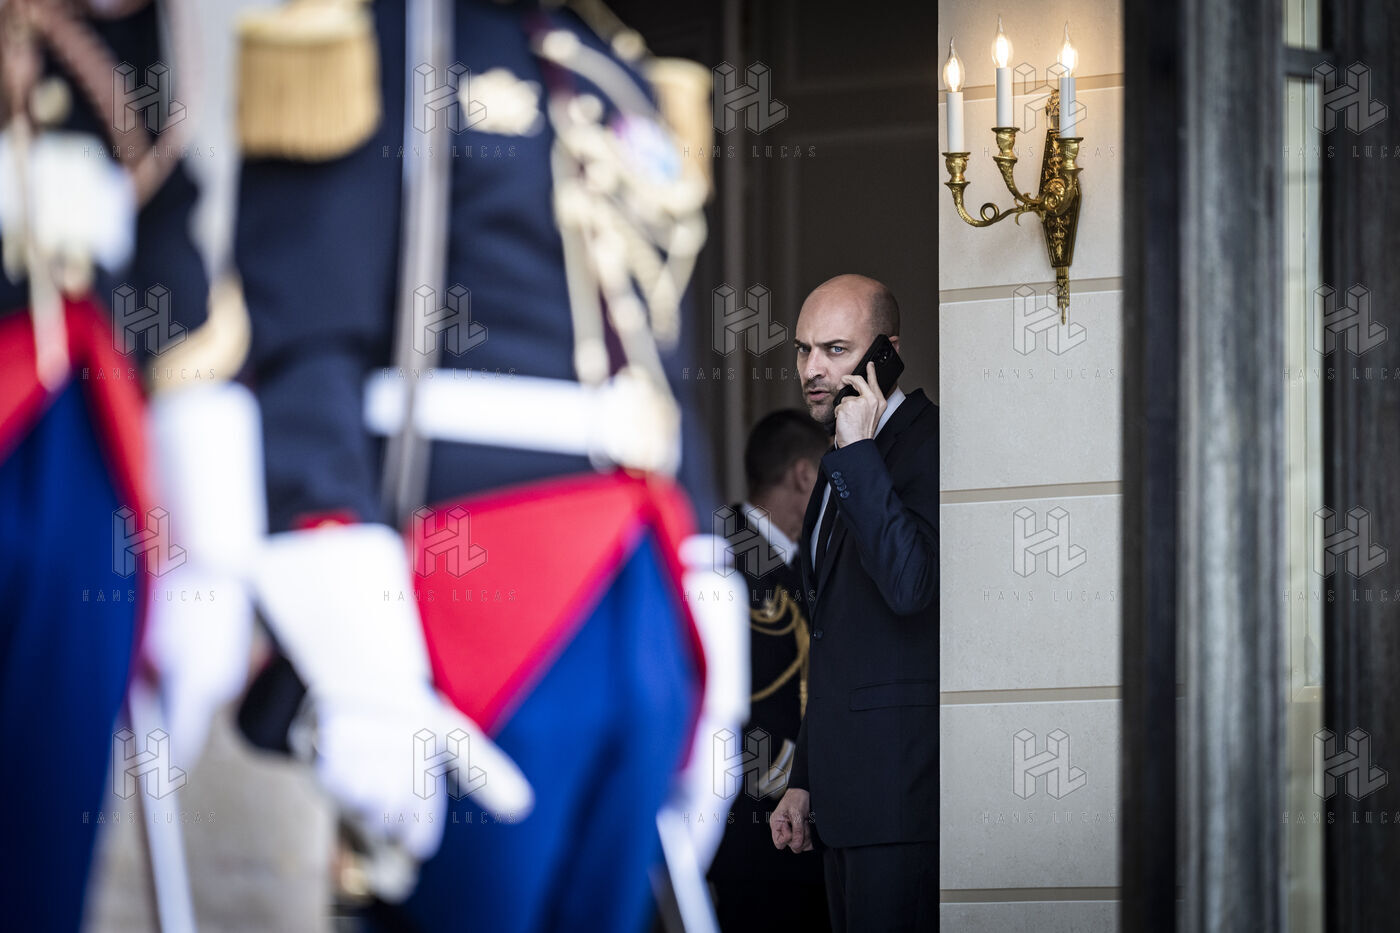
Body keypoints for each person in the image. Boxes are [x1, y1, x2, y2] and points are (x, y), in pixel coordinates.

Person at [232, 0, 743, 929]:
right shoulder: (380, 36)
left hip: (642, 588)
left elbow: (663, 370)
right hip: (475, 602)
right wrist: (358, 658)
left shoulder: (616, 72)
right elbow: (304, 345)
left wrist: (708, 623)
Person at [770, 274, 939, 931]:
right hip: (841, 802)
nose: (812, 369)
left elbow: (910, 585)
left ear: (887, 354)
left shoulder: (928, 443)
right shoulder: (840, 458)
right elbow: (834, 640)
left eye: (835, 350)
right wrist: (805, 778)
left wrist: (863, 453)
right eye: (804, 349)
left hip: (901, 798)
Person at [708, 409, 831, 931]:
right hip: (744, 828)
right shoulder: (717, 552)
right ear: (805, 475)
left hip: (812, 829)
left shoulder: (812, 558)